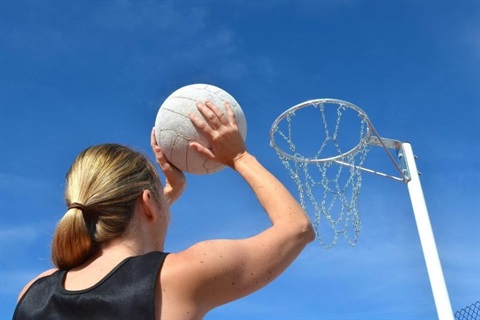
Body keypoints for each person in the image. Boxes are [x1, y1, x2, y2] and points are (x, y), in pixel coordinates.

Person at [14, 101, 315, 319]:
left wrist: (163, 197)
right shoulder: (175, 278)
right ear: (146, 203)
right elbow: (297, 229)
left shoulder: (33, 292)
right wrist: (238, 155)